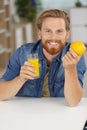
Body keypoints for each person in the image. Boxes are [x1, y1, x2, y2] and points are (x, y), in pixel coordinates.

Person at [0, 9, 86, 106]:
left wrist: (70, 69)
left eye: (59, 31)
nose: (53, 37)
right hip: (26, 113)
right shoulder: (22, 53)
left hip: (59, 114)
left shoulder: (74, 55)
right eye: (48, 31)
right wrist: (21, 79)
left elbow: (73, 102)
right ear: (40, 33)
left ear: (67, 34)